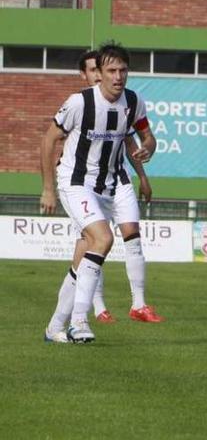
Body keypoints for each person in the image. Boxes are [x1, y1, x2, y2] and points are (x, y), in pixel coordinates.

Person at [40, 42, 158, 343]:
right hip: (75, 182)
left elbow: (147, 136)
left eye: (123, 70)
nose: (118, 76)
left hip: (109, 185)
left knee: (83, 254)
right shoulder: (79, 103)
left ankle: (55, 326)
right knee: (104, 238)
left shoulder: (133, 101)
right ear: (99, 74)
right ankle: (79, 322)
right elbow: (48, 140)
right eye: (111, 70)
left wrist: (148, 150)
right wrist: (47, 190)